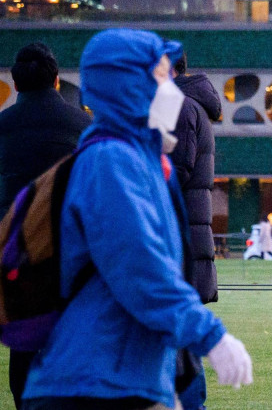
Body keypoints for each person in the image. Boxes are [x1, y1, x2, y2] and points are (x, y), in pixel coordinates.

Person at [21, 29, 252, 410]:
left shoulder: (138, 162)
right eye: (161, 80)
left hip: (121, 377)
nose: (173, 91)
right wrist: (212, 336)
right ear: (129, 88)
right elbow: (140, 269)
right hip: (95, 382)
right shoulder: (112, 163)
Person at [0, 42, 91, 409]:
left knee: (24, 343)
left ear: (16, 85)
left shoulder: (3, 127)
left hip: (16, 252)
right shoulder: (83, 125)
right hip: (71, 251)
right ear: (57, 80)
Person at [163, 40, 221, 410]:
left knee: (178, 343)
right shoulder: (186, 104)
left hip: (177, 237)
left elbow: (174, 171)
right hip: (184, 235)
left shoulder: (177, 106)